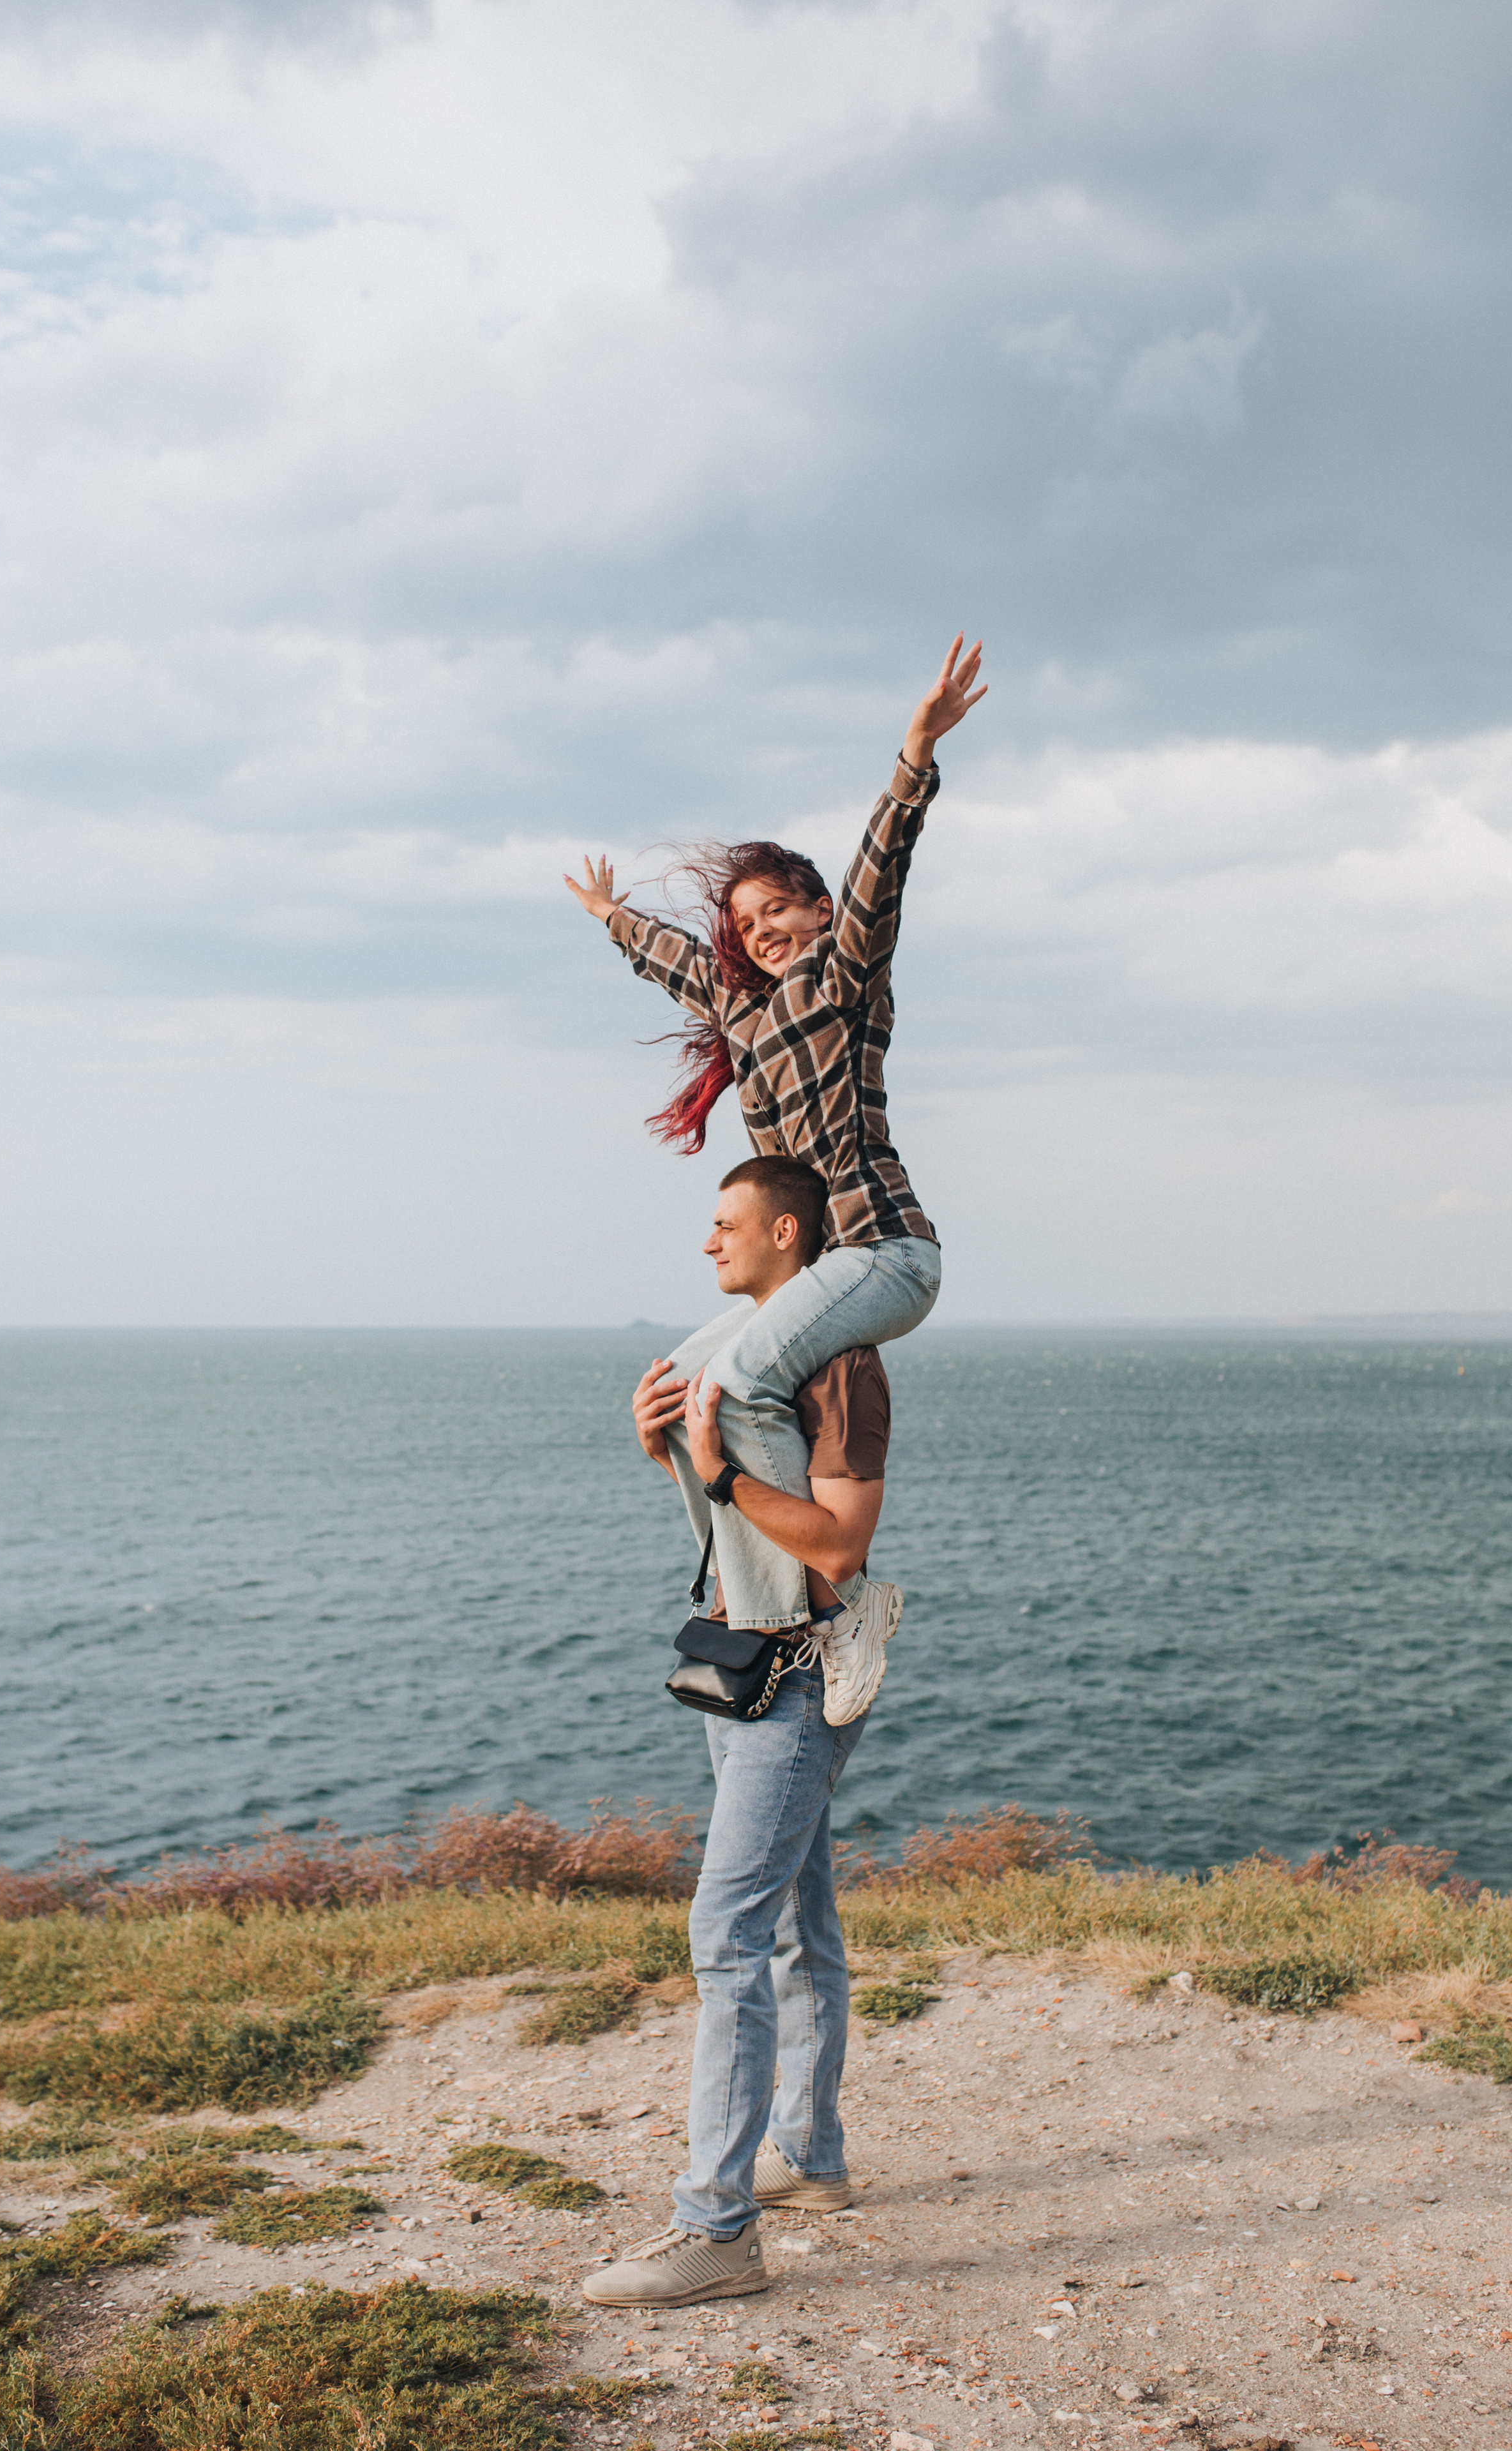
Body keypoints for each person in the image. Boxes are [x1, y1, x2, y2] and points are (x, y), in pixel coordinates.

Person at [562, 635, 984, 1674]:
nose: (763, 932)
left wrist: (915, 755)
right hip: (818, 1275)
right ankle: (761, 1615)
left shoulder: (844, 975)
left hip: (882, 1250)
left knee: (740, 1382)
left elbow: (882, 871)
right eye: (747, 926)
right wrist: (614, 916)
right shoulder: (739, 1010)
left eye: (780, 910)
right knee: (676, 1401)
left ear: (818, 913)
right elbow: (672, 961)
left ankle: (833, 1613)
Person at [583, 1158, 894, 2311]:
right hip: (740, 1664)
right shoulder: (729, 1341)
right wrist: (658, 1437)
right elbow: (719, 1501)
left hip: (802, 1678)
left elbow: (837, 1547)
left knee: (728, 1935)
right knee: (796, 1919)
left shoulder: (841, 1364)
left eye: (725, 1225)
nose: (707, 1243)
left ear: (786, 1231)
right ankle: (807, 2161)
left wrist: (714, 1470)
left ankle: (715, 2230)